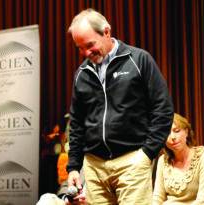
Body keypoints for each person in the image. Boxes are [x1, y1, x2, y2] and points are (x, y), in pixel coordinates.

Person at [66, 8, 174, 205]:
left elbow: (163, 110)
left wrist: (146, 154)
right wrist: (73, 166)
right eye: (80, 48)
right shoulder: (81, 73)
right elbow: (77, 124)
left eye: (90, 45)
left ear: (106, 32)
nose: (86, 53)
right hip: (94, 167)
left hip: (132, 162)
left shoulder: (139, 59)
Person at [152, 113, 204, 205]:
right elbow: (158, 197)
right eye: (166, 134)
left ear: (186, 132)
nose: (172, 137)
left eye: (176, 131)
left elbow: (203, 201)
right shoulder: (162, 160)